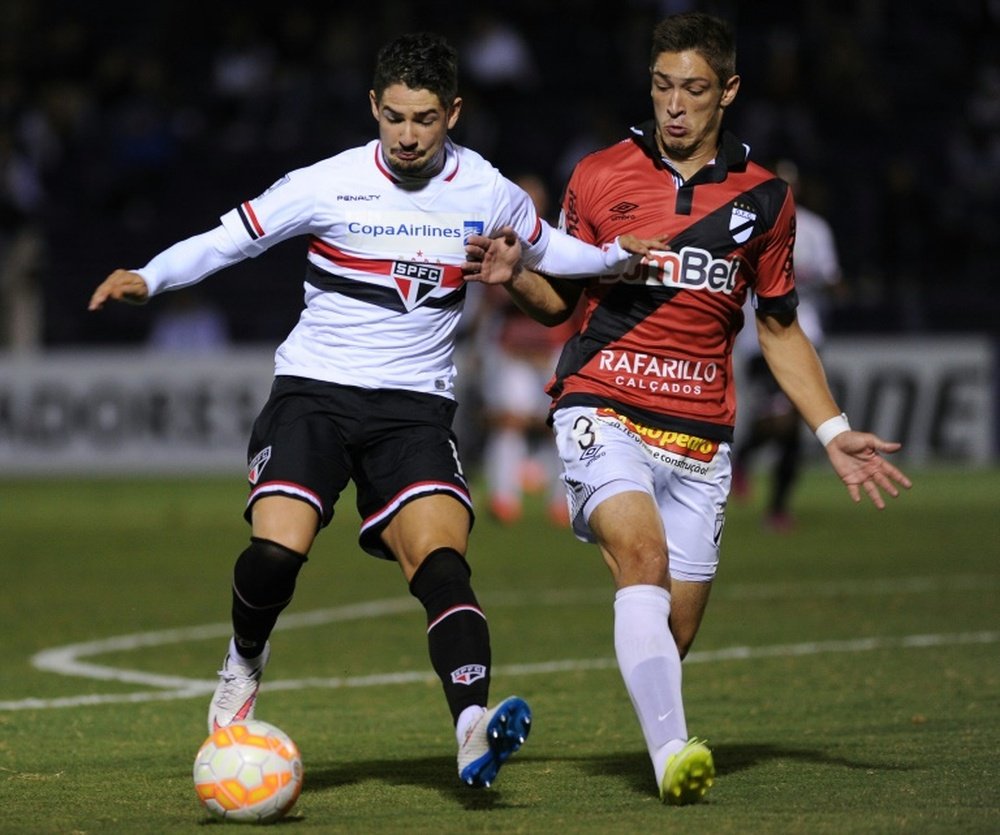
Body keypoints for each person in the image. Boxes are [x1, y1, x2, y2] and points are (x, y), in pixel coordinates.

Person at [88, 32, 662, 790]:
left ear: (452, 112)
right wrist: (151, 276)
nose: (408, 135)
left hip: (414, 410)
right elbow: (231, 239)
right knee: (277, 551)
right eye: (394, 117)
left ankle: (469, 727)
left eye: (425, 118)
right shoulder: (327, 181)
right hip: (315, 394)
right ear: (373, 107)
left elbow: (552, 251)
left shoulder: (484, 189)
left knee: (442, 561)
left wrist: (619, 257)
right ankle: (244, 659)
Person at [464, 12, 911, 805]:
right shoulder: (598, 176)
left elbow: (778, 328)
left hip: (702, 431)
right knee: (642, 557)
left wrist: (833, 430)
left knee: (675, 629)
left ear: (728, 92)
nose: (675, 106)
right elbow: (557, 301)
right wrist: (515, 273)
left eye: (695, 90)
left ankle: (658, 724)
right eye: (663, 86)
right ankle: (673, 754)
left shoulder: (768, 199)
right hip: (602, 398)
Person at [731, 159, 843, 531]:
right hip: (759, 340)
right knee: (783, 421)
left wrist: (811, 282)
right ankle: (752, 472)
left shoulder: (814, 229)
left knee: (792, 426)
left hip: (807, 334)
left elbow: (832, 279)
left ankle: (772, 501)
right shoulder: (746, 227)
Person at [478, 173, 579, 526]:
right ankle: (504, 497)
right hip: (513, 350)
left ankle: (562, 501)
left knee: (560, 426)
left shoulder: (557, 242)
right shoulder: (498, 244)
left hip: (553, 347)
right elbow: (488, 302)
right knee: (510, 422)